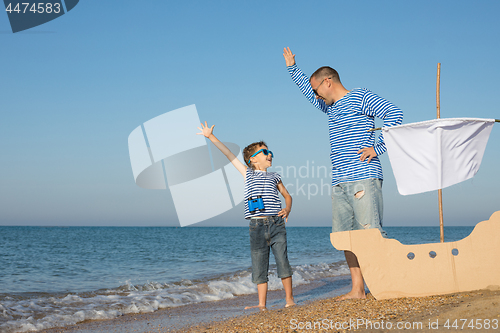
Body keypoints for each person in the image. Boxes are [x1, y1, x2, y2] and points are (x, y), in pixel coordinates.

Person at [283, 47, 403, 300]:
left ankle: (389, 285)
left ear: (328, 82)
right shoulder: (331, 107)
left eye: (317, 89)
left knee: (371, 234)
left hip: (363, 175)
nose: (316, 94)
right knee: (345, 237)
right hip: (339, 180)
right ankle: (358, 289)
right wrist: (293, 68)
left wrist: (377, 147)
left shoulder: (361, 96)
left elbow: (395, 113)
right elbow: (307, 91)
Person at [197, 121, 295, 310]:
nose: (270, 155)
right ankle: (261, 304)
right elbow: (228, 154)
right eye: (265, 152)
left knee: (283, 261)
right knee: (259, 265)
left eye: (270, 152)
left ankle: (289, 298)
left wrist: (288, 208)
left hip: (276, 224)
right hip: (256, 227)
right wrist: (210, 136)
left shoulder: (275, 176)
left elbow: (287, 195)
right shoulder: (247, 173)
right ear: (252, 159)